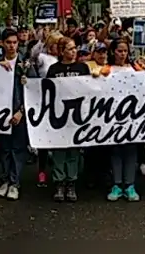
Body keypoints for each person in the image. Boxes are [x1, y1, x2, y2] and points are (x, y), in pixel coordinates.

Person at [46, 37, 91, 202]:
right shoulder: (54, 69)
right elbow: (46, 90)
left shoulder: (82, 67)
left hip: (77, 115)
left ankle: (71, 182)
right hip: (59, 114)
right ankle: (59, 182)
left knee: (73, 150)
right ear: (62, 51)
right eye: (70, 49)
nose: (74, 52)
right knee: (59, 150)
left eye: (75, 48)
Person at [0, 29, 31, 201]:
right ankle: (5, 179)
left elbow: (33, 91)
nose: (11, 46)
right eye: (8, 42)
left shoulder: (26, 63)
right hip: (0, 112)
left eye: (14, 42)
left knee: (18, 148)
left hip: (19, 112)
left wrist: (21, 111)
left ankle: (15, 182)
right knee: (4, 148)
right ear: (2, 43)